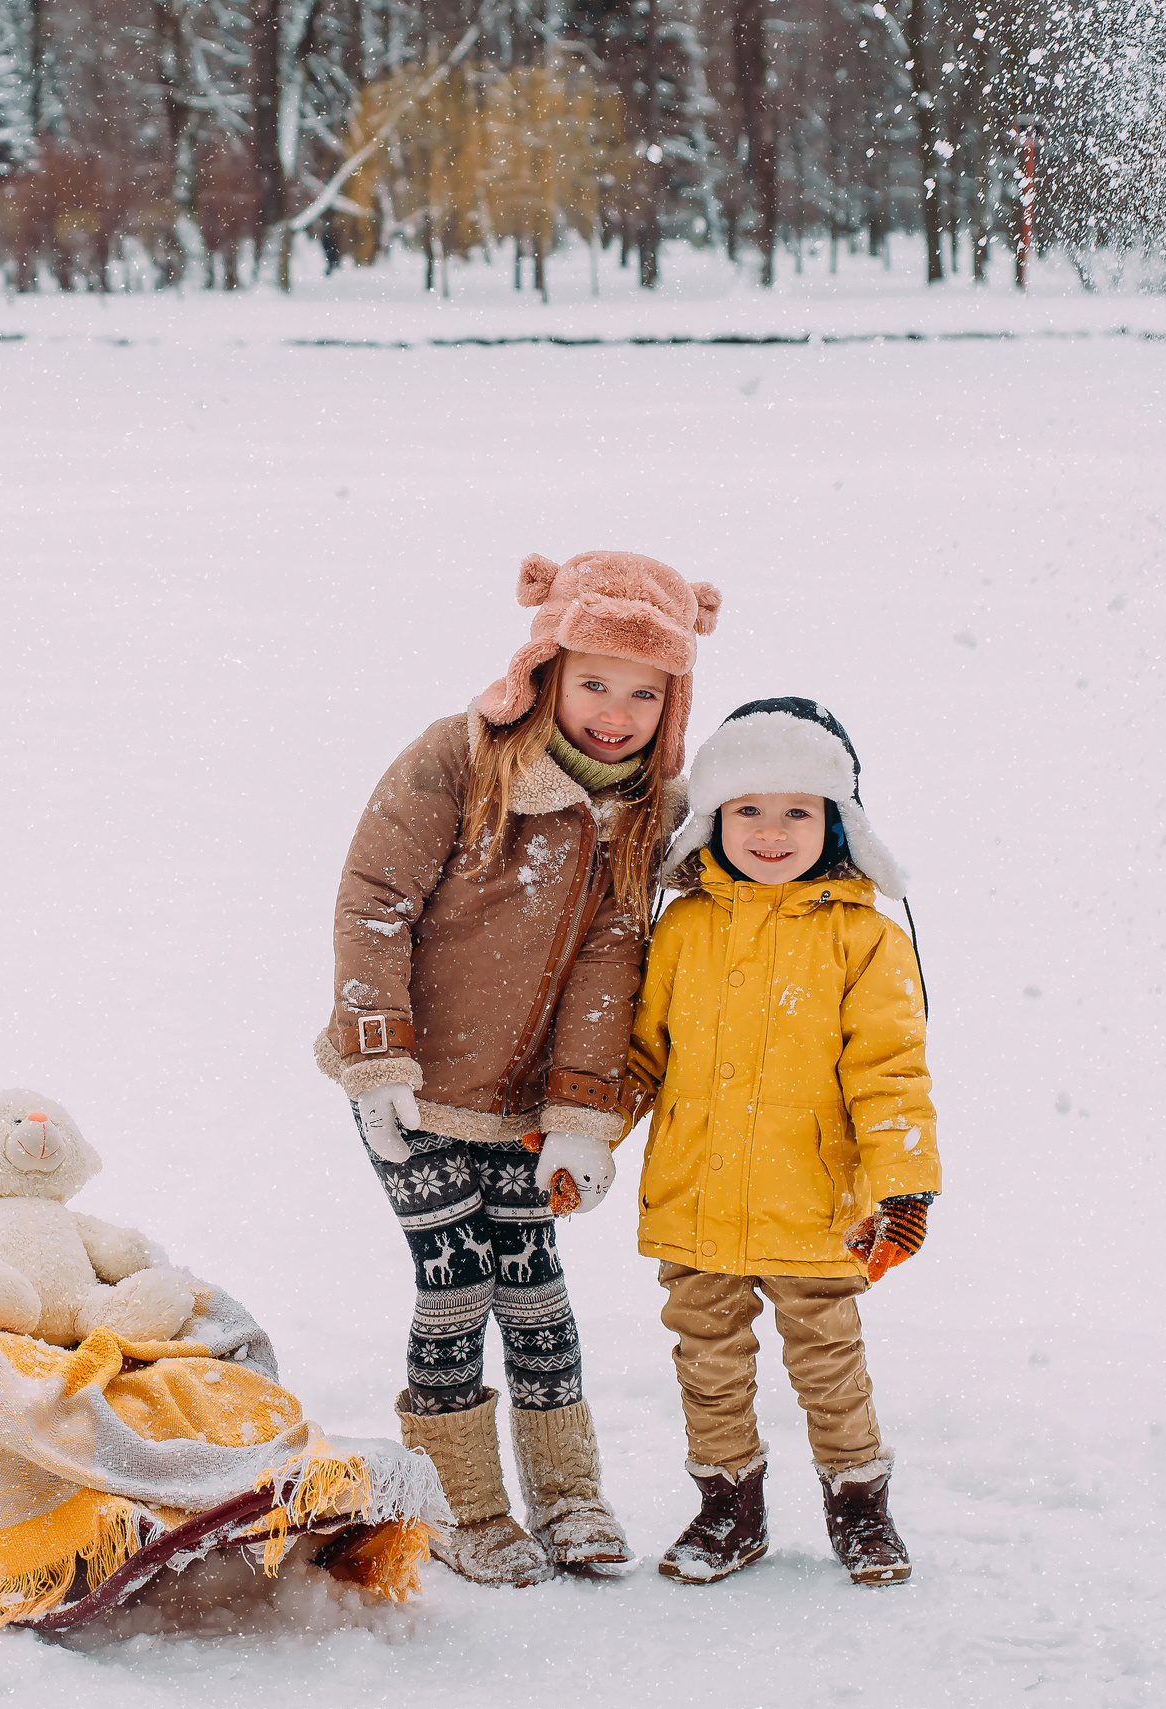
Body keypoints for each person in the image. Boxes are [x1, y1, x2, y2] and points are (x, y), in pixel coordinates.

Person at [318, 550, 722, 1586]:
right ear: (546, 667)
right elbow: (374, 900)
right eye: (594, 681)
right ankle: (459, 1500)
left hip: (525, 1107)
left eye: (645, 692)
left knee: (535, 1285)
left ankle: (568, 1491)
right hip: (414, 1088)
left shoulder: (645, 809)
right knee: (454, 1281)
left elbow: (612, 962)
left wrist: (584, 1115)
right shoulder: (457, 758)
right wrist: (377, 1061)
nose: (615, 712)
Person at [623, 697, 942, 1587]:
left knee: (829, 1364)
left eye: (797, 810)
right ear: (712, 820)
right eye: (747, 809)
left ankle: (860, 1506)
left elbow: (890, 1073)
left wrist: (903, 1188)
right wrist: (583, 1134)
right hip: (696, 1196)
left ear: (837, 821)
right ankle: (729, 1507)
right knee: (708, 1363)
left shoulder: (865, 939)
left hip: (818, 1206)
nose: (771, 831)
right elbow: (642, 1054)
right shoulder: (682, 928)